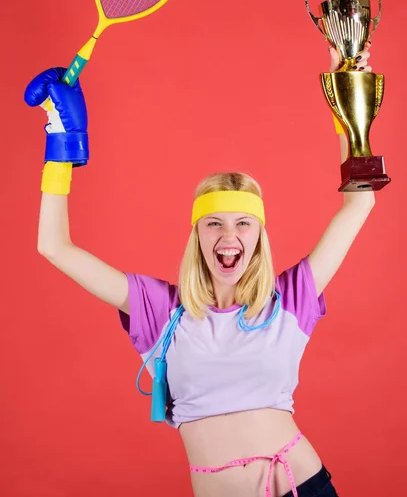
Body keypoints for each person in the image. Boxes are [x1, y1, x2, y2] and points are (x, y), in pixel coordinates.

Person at [25, 44, 374, 497]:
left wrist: (345, 98)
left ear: (258, 237)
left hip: (300, 486)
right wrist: (61, 143)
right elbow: (54, 247)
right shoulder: (160, 311)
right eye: (215, 224)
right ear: (197, 236)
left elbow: (360, 200)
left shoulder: (290, 299)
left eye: (243, 224)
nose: (229, 237)